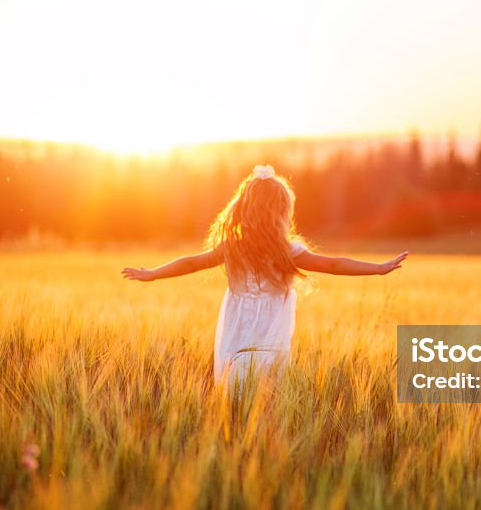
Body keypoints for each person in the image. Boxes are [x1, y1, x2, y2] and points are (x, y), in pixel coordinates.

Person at [122, 164, 408, 382]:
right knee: (266, 383)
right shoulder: (287, 250)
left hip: (235, 325)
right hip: (272, 329)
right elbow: (333, 264)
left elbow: (191, 262)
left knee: (233, 378)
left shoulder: (233, 247)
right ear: (282, 212)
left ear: (244, 208)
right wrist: (378, 269)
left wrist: (154, 274)